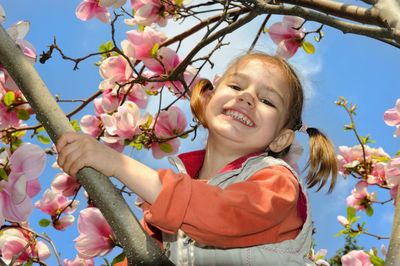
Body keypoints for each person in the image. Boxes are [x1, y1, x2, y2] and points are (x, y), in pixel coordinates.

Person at [56, 52, 338, 265]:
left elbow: (224, 214)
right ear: (207, 100)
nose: (248, 97)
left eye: (267, 101)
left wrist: (119, 165)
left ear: (281, 139)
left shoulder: (277, 180)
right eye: (237, 87)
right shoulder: (172, 200)